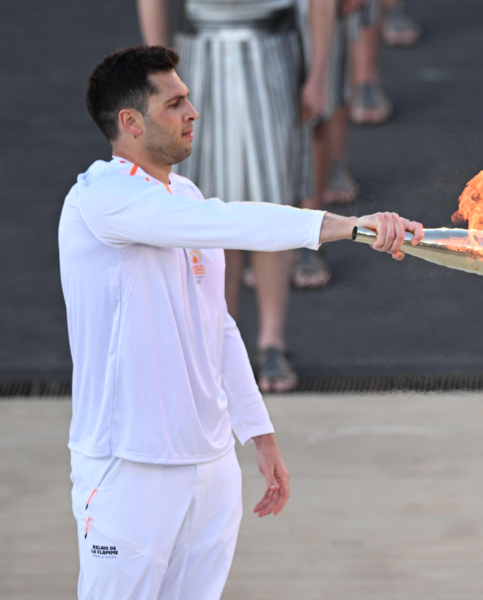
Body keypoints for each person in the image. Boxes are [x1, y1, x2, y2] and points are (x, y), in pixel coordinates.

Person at [59, 45, 423, 600]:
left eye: (187, 99)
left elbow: (219, 324)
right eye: (174, 103)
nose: (192, 113)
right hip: (127, 467)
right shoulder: (100, 198)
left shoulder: (184, 194)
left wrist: (259, 434)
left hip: (210, 465)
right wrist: (351, 226)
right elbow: (231, 221)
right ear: (130, 122)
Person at [137, 0, 337, 391]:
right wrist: (158, 75)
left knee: (272, 196)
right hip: (199, 59)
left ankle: (271, 342)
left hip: (272, 54)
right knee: (208, 206)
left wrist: (318, 73)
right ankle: (220, 346)